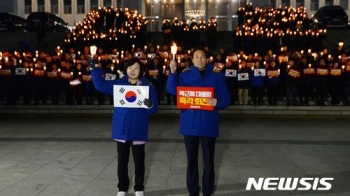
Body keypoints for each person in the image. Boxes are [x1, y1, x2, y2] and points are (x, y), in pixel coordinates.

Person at [166, 47, 230, 196]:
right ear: (192, 60)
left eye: (202, 57)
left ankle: (207, 190)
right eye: (196, 57)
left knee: (208, 161)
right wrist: (173, 72)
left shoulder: (217, 77)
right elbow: (171, 90)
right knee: (191, 161)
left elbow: (226, 99)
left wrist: (217, 102)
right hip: (190, 124)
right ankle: (193, 191)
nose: (199, 59)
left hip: (209, 123)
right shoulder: (185, 76)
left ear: (207, 59)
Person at [89, 57, 158, 196]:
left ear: (141, 70)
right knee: (122, 160)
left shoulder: (148, 86)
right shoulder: (119, 85)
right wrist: (94, 70)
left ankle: (139, 188)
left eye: (136, 68)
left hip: (138, 128)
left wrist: (149, 104)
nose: (133, 71)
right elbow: (100, 85)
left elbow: (154, 109)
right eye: (130, 67)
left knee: (139, 161)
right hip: (122, 128)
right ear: (126, 69)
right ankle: (122, 188)